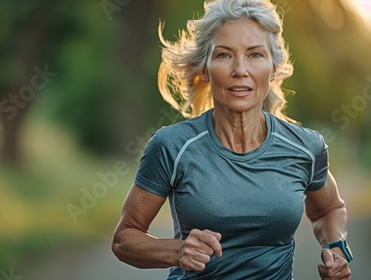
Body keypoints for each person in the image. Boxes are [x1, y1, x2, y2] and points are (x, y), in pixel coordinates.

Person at [111, 0, 352, 279]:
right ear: (205, 67)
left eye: (255, 55)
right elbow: (124, 238)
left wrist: (335, 248)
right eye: (224, 55)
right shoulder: (172, 146)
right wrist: (176, 251)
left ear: (273, 68)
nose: (240, 69)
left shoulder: (305, 147)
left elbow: (330, 209)